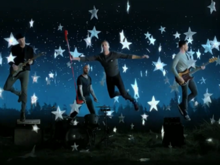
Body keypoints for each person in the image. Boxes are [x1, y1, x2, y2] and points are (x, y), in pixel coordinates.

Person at [70, 40, 149, 111]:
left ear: (108, 46)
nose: (104, 46)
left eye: (105, 44)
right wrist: (74, 58)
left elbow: (128, 56)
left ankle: (133, 101)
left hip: (117, 77)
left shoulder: (114, 54)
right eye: (102, 45)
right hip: (109, 79)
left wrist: (140, 57)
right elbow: (87, 58)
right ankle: (122, 92)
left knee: (125, 95)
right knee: (111, 95)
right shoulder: (99, 57)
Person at [3, 33, 34, 122]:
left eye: (22, 39)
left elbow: (32, 61)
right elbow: (9, 59)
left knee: (25, 92)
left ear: (24, 38)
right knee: (6, 87)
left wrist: (31, 62)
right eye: (19, 39)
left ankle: (23, 113)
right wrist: (13, 65)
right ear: (17, 40)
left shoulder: (29, 49)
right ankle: (19, 94)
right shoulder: (14, 48)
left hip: (25, 72)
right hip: (15, 72)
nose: (21, 40)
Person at [171, 40, 205, 121]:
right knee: (185, 95)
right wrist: (179, 77)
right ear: (183, 46)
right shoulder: (178, 56)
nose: (188, 46)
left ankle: (181, 105)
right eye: (186, 45)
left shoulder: (186, 55)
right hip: (182, 78)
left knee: (195, 92)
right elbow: (172, 67)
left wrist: (200, 67)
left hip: (189, 76)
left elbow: (191, 65)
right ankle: (185, 112)